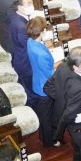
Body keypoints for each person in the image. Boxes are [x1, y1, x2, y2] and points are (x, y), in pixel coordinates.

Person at [25, 17, 56, 146]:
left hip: (37, 81)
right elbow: (50, 74)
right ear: (42, 32)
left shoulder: (30, 42)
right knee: (47, 117)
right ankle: (49, 141)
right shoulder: (41, 54)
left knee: (44, 114)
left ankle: (44, 137)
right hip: (45, 87)